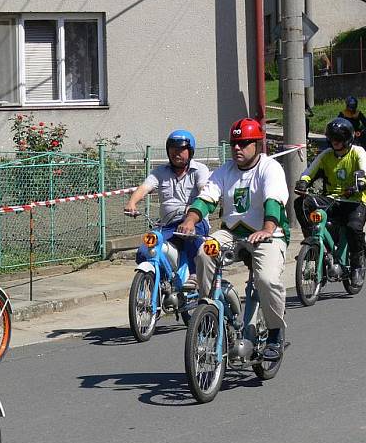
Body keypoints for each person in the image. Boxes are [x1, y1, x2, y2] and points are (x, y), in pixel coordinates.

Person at [177, 118, 290, 361]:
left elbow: (274, 201)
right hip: (233, 233)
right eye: (234, 144)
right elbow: (207, 198)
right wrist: (190, 220)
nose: (237, 148)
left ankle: (274, 333)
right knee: (205, 251)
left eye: (244, 143)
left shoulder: (269, 168)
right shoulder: (224, 171)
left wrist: (268, 228)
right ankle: (210, 312)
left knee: (267, 279)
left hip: (269, 234)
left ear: (258, 144)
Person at [124, 129, 210, 289]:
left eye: (181, 149)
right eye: (173, 149)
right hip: (167, 225)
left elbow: (204, 189)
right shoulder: (160, 172)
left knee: (190, 235)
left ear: (190, 151)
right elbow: (144, 188)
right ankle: (160, 280)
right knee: (145, 249)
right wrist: (132, 203)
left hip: (195, 222)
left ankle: (194, 275)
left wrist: (194, 210)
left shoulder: (200, 170)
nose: (176, 153)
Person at [294, 117, 366, 287]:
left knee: (353, 228)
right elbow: (309, 171)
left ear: (347, 139)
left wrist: (360, 182)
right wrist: (303, 182)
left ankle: (357, 266)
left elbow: (364, 170)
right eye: (332, 139)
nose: (335, 142)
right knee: (302, 203)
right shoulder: (326, 155)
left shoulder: (358, 152)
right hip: (332, 199)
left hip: (356, 201)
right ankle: (315, 244)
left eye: (338, 139)